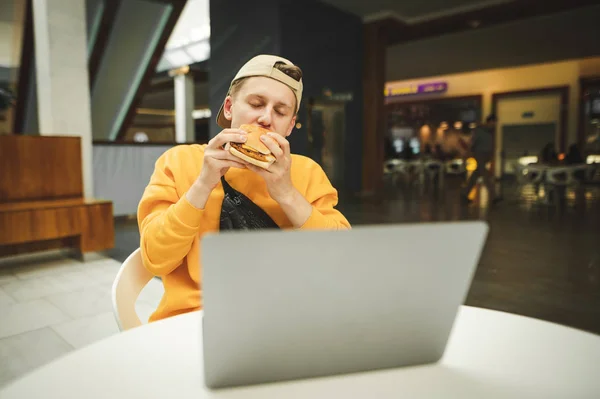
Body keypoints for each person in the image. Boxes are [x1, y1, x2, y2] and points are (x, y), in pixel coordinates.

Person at [137, 54, 351, 322]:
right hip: (194, 318)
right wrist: (203, 185)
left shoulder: (306, 172)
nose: (265, 118)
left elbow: (341, 258)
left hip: (286, 316)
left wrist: (286, 193)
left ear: (290, 125)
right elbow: (156, 259)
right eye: (256, 104)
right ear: (229, 107)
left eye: (280, 111)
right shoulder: (180, 161)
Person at [461, 114, 498, 204]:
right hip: (479, 154)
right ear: (489, 122)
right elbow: (472, 143)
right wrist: (468, 153)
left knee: (475, 175)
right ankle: (494, 196)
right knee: (486, 175)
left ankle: (464, 194)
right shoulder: (479, 130)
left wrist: (492, 156)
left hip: (486, 155)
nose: (494, 125)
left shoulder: (491, 132)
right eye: (493, 123)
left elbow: (492, 144)